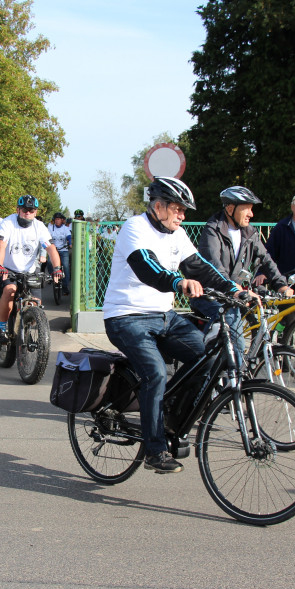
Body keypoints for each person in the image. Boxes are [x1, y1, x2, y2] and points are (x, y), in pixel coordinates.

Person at [102, 177, 255, 474]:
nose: (182, 216)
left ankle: (171, 418)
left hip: (164, 317)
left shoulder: (177, 234)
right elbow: (147, 266)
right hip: (126, 317)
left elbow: (200, 267)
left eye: (184, 210)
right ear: (158, 206)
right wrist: (176, 281)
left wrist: (234, 289)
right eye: (177, 209)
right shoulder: (135, 228)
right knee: (155, 373)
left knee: (207, 359)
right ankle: (155, 451)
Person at [191, 185, 292, 360]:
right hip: (209, 294)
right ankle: (213, 367)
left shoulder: (249, 232)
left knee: (250, 323)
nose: (251, 214)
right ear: (230, 208)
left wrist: (281, 284)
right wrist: (234, 288)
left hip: (235, 295)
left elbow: (266, 259)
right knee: (235, 338)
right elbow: (214, 265)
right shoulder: (213, 230)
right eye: (247, 209)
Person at [0, 195, 62, 342]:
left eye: (31, 210)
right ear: (18, 210)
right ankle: (2, 327)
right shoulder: (8, 223)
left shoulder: (39, 227)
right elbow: (1, 245)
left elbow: (50, 248)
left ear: (36, 212)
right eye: (25, 210)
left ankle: (27, 326)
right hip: (9, 269)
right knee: (9, 291)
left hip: (31, 271)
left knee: (35, 303)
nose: (28, 213)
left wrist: (57, 268)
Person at [48, 212, 72, 295]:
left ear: (62, 220)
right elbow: (48, 237)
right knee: (49, 262)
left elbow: (69, 236)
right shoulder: (51, 227)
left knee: (65, 267)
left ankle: (65, 287)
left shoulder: (65, 228)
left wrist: (70, 243)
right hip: (54, 249)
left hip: (63, 250)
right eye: (56, 219)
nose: (57, 221)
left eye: (58, 219)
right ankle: (52, 277)